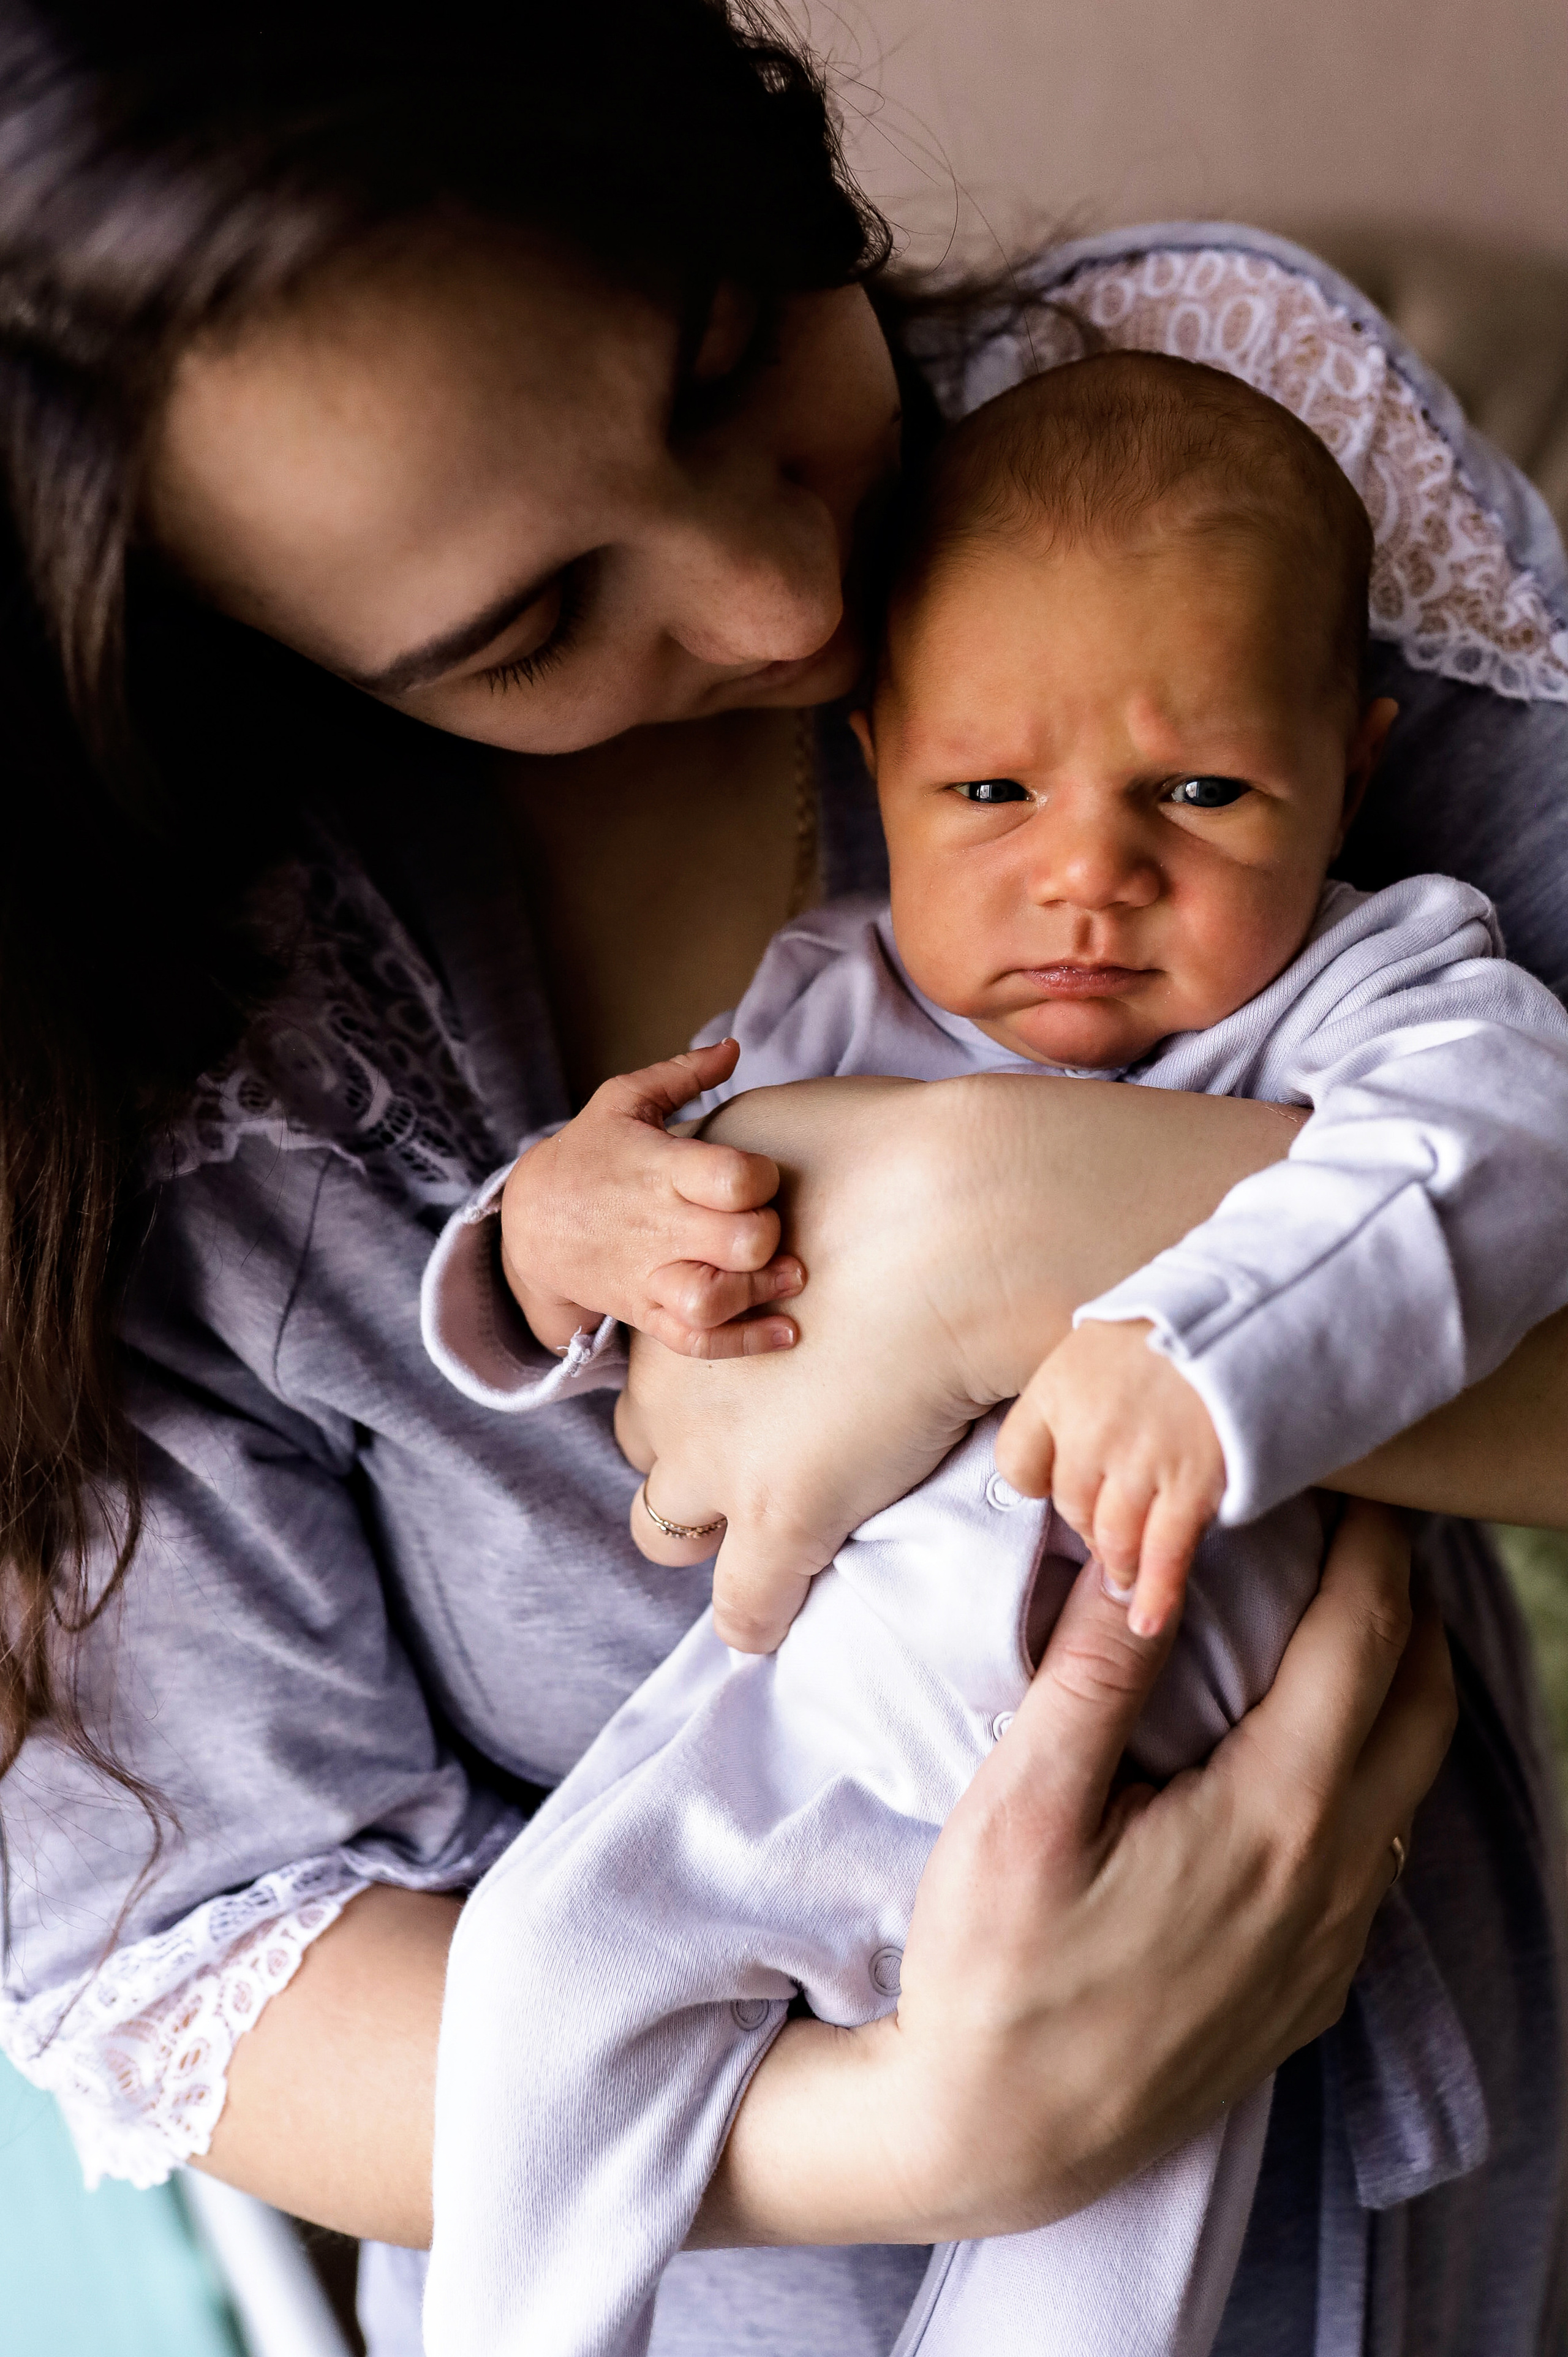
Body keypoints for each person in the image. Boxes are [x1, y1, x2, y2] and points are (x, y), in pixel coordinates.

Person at [0, 8, 1551, 2354]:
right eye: (526, 627)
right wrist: (945, 2121)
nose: (781, 604)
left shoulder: (1212, 473)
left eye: (726, 361)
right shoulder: (169, 1032)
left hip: (1407, 2212)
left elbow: (1502, 1120)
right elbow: (196, 1938)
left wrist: (1004, 1234)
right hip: (721, 2235)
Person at [420, 353, 1568, 2356]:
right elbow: (657, 1281)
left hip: (1172, 1795)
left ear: (1350, 767)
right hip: (817, 1729)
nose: (1090, 873)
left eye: (1201, 793)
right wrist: (549, 1237)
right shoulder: (819, 998)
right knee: (537, 1971)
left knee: (1105, 2257)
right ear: (878, 772)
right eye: (990, 793)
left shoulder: (1388, 986)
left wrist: (1198, 1348)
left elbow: (1493, 1165)